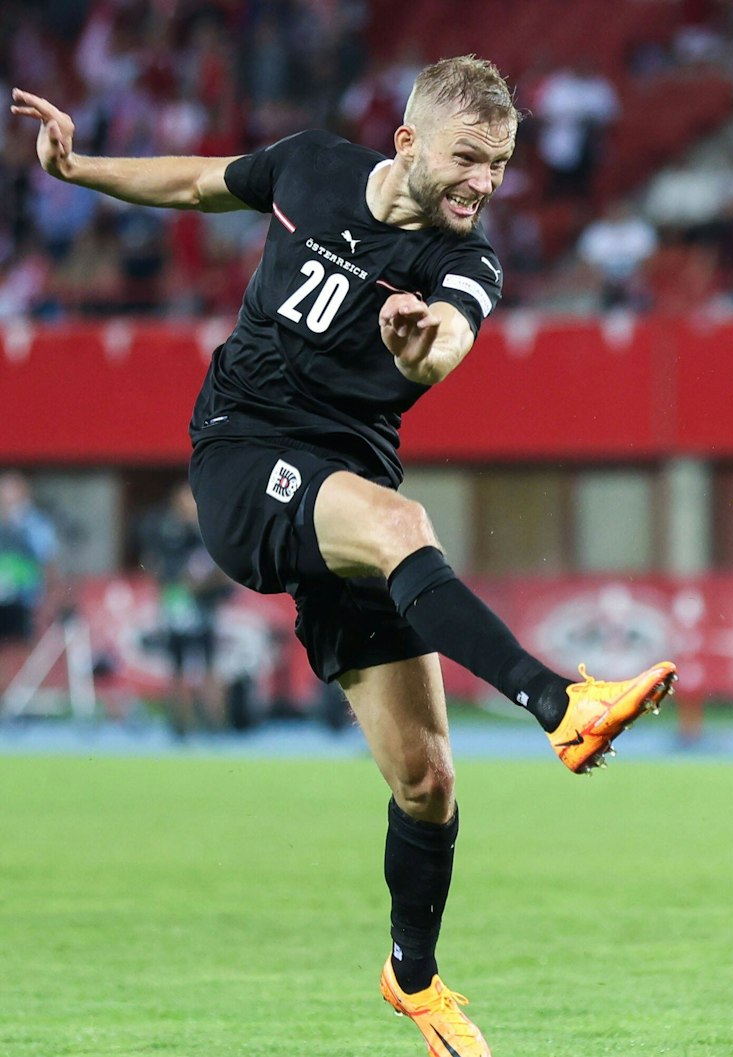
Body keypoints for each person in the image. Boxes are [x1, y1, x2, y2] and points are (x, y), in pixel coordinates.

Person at [12, 58, 678, 1057]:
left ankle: (413, 979)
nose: (484, 182)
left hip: (345, 486)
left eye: (498, 164)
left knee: (427, 779)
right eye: (467, 158)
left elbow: (445, 341)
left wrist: (420, 347)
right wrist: (79, 169)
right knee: (404, 529)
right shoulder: (311, 168)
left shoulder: (467, 262)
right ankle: (560, 703)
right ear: (406, 143)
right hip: (244, 451)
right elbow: (198, 182)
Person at [137, 481, 230, 738]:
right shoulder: (166, 531)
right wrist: (172, 581)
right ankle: (181, 728)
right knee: (177, 667)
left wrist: (201, 586)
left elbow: (225, 569)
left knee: (210, 665)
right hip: (176, 607)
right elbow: (151, 563)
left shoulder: (209, 530)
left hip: (205, 606)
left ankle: (217, 728)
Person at [0, 471, 60, 687]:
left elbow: (48, 562)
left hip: (24, 600)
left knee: (23, 648)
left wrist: (47, 596)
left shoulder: (34, 525)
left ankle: (22, 697)